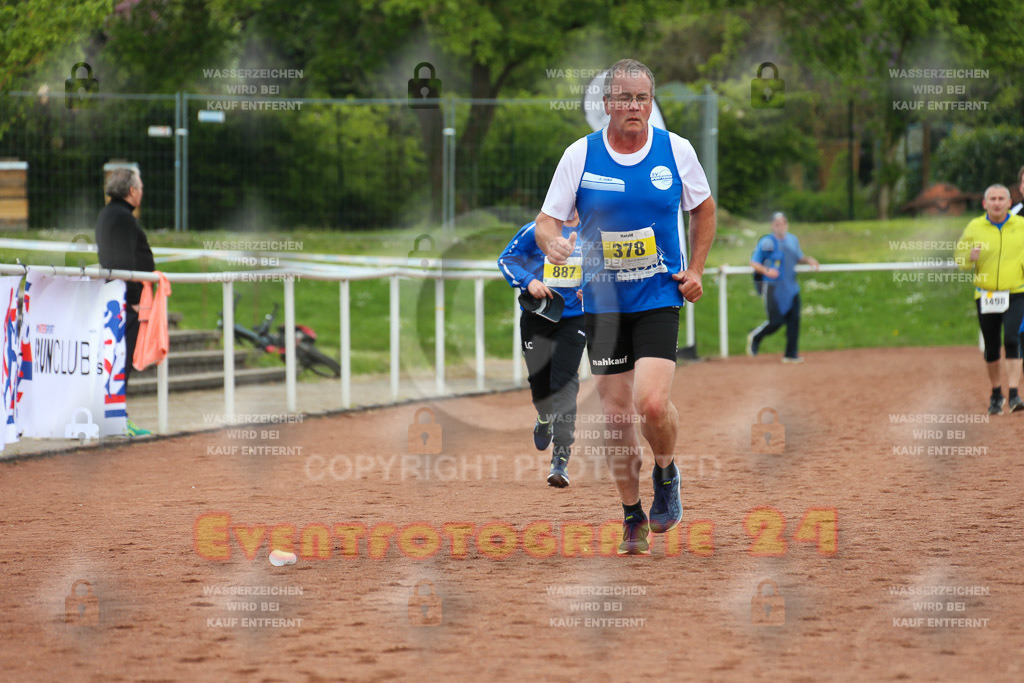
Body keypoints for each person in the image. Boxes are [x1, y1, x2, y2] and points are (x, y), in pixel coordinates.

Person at [535, 58, 716, 554]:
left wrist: (696, 268)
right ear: (607, 104)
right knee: (616, 419)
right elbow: (547, 221)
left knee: (651, 403)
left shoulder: (675, 151)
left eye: (642, 98)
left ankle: (666, 473)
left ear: (650, 102)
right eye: (624, 98)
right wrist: (552, 244)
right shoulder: (580, 155)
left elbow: (702, 207)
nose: (634, 106)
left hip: (660, 293)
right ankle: (632, 515)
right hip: (604, 302)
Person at [497, 210, 586, 487]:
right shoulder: (534, 231)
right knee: (540, 383)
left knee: (565, 384)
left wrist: (592, 288)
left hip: (574, 320)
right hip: (538, 317)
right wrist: (529, 281)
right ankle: (543, 415)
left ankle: (560, 459)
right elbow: (506, 259)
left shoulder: (594, 233)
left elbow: (607, 272)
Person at [95, 166, 154, 436]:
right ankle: (118, 420)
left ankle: (115, 418)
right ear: (131, 191)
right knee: (121, 362)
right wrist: (133, 301)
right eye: (140, 188)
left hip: (115, 300)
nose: (141, 192)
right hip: (124, 304)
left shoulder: (110, 214)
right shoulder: (122, 218)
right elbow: (124, 263)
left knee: (117, 362)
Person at [954, 184, 1024, 414]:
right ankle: (996, 394)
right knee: (992, 346)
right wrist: (969, 257)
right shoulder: (975, 227)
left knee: (1013, 338)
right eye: (992, 199)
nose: (996, 202)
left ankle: (1014, 394)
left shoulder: (1021, 226)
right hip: (986, 295)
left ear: (1009, 203)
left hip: (1016, 292)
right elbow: (959, 259)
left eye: (1001, 199)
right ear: (985, 204)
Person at [745, 212, 819, 363]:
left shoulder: (792, 240)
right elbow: (754, 263)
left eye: (784, 222)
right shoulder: (767, 242)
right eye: (778, 223)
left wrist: (808, 259)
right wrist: (767, 271)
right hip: (772, 288)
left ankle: (790, 354)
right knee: (776, 321)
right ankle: (756, 336)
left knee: (794, 320)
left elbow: (798, 257)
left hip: (791, 287)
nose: (781, 226)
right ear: (772, 226)